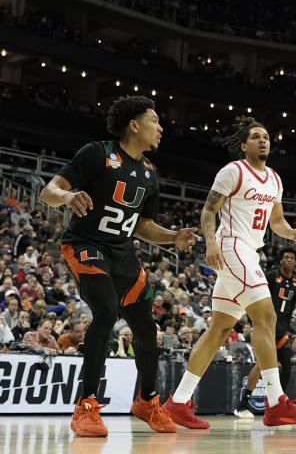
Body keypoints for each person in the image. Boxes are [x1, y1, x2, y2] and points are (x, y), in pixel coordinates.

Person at [40, 95, 198, 437]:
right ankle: (86, 405)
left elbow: (143, 226)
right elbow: (48, 191)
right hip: (85, 244)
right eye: (155, 121)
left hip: (123, 253)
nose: (161, 128)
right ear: (134, 125)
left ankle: (146, 400)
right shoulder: (97, 152)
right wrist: (67, 196)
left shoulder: (150, 173)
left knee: (146, 329)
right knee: (107, 309)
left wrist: (174, 237)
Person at [162, 117, 296, 429]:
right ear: (244, 145)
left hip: (249, 253)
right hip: (232, 247)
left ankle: (178, 402)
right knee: (267, 317)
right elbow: (209, 210)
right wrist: (210, 243)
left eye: (267, 136)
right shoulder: (233, 170)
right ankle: (277, 403)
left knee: (218, 330)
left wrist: (292, 233)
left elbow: (277, 223)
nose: (263, 141)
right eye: (256, 137)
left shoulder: (274, 178)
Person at [234, 248, 296, 418]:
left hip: (282, 330)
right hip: (266, 326)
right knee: (261, 365)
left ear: (295, 262)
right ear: (280, 261)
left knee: (287, 367)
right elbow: (259, 298)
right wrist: (255, 322)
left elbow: (291, 308)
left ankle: (279, 403)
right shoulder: (272, 276)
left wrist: (286, 328)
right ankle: (242, 405)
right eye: (285, 257)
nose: (288, 260)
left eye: (291, 258)